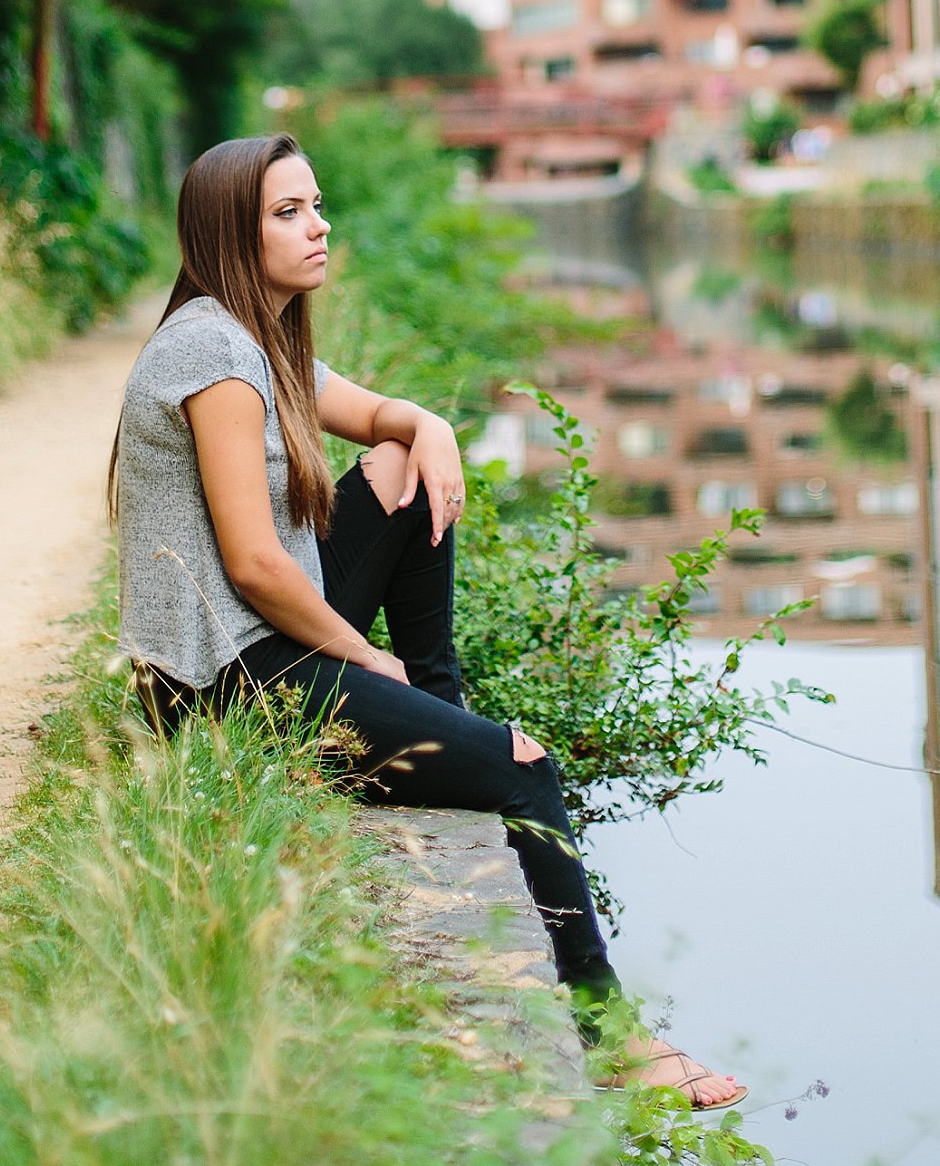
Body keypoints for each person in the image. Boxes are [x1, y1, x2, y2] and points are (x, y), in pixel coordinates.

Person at [111, 130, 745, 1109]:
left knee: (403, 470)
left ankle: (441, 725)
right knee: (529, 770)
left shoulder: (258, 333)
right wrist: (366, 658)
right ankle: (611, 1035)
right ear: (232, 235)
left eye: (316, 205)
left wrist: (432, 425)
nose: (318, 226)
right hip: (224, 685)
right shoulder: (211, 351)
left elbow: (382, 421)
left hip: (264, 643)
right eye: (288, 213)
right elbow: (250, 563)